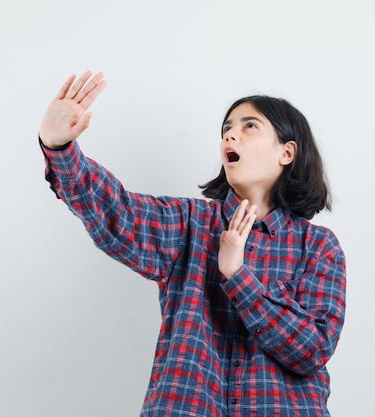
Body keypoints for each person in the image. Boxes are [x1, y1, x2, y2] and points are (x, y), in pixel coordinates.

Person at [38, 70, 346, 417]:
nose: (230, 135)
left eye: (249, 126)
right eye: (226, 129)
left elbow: (313, 349)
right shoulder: (189, 224)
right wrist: (59, 148)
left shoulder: (318, 246)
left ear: (286, 153)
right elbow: (116, 212)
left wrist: (238, 277)